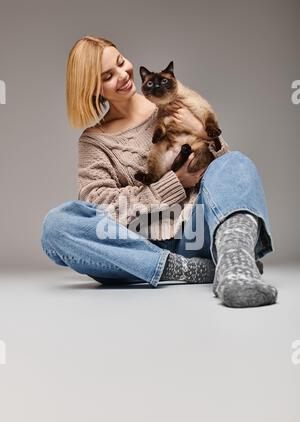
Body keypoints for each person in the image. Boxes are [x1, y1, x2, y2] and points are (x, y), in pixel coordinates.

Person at [41, 35, 278, 308]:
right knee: (57, 226)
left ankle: (236, 265)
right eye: (108, 75)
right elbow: (99, 206)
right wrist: (172, 184)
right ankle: (185, 270)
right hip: (136, 248)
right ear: (93, 90)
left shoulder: (172, 101)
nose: (123, 75)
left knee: (236, 161)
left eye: (121, 62)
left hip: (195, 231)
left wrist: (201, 131)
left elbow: (228, 177)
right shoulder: (94, 141)